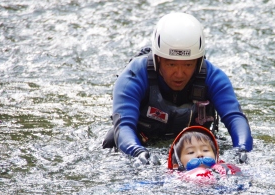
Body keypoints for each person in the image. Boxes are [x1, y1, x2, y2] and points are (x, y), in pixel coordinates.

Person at [104, 12, 253, 165]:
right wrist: (137, 152)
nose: (179, 74)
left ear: (198, 61)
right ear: (158, 59)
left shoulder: (213, 77)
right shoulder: (133, 76)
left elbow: (235, 117)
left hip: (194, 146)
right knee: (110, 144)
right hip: (144, 142)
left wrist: (241, 149)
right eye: (171, 64)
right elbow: (124, 125)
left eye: (188, 65)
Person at [167, 126, 242, 183]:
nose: (200, 154)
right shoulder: (175, 179)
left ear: (216, 158)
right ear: (176, 166)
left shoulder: (225, 171)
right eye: (191, 152)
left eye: (205, 150)